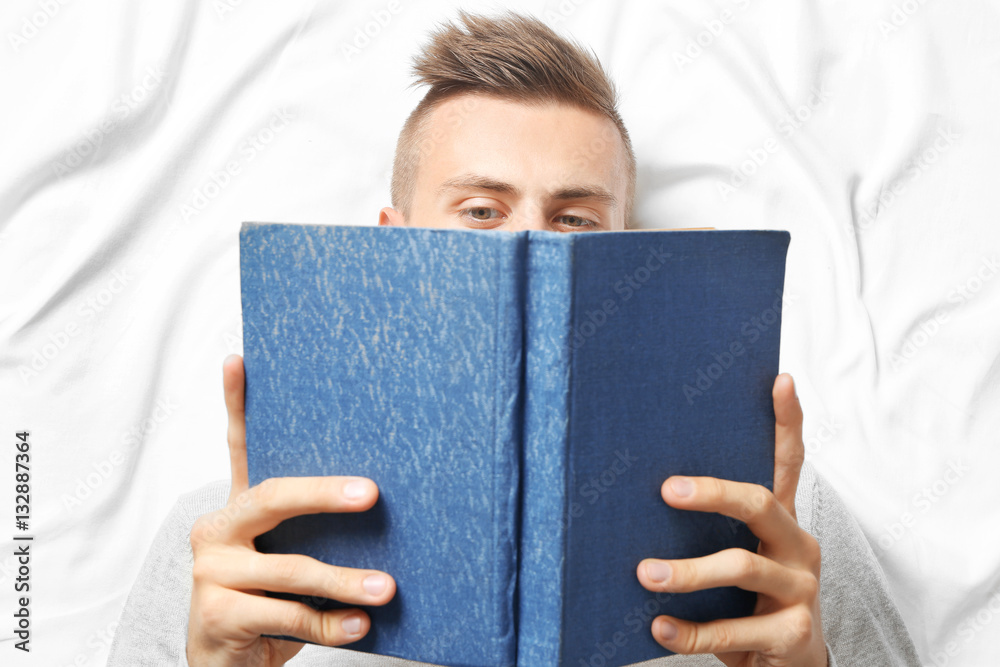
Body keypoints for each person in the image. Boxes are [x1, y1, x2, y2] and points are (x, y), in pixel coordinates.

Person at [107, 11, 920, 667]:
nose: (530, 249)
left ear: (628, 250)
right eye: (481, 211)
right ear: (393, 246)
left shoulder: (777, 524)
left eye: (575, 219)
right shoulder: (233, 550)